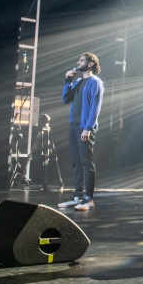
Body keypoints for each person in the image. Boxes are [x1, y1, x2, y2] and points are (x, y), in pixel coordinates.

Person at [58, 52, 104, 211]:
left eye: (82, 60)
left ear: (90, 64)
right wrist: (68, 80)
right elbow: (65, 99)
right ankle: (77, 196)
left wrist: (88, 128)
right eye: (78, 60)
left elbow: (95, 108)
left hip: (84, 127)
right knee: (75, 163)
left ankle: (88, 199)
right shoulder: (77, 81)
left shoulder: (95, 82)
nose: (78, 62)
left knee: (86, 163)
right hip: (73, 126)